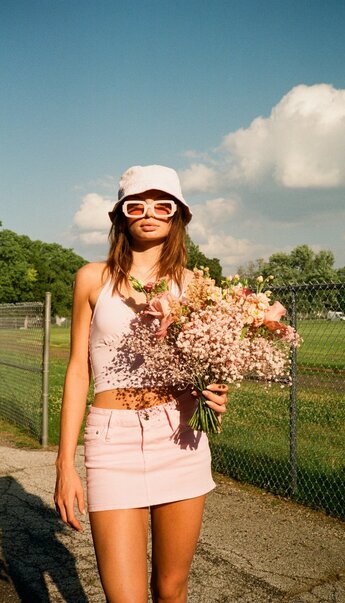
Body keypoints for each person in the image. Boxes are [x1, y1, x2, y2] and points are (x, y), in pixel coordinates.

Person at [54, 165, 228, 603]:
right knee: (124, 597)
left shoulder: (197, 286)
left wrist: (217, 390)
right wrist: (64, 464)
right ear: (121, 215)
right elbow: (78, 371)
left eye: (162, 204)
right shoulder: (91, 279)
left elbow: (210, 360)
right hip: (112, 441)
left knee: (172, 589)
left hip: (180, 435)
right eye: (136, 204)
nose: (149, 212)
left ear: (177, 216)